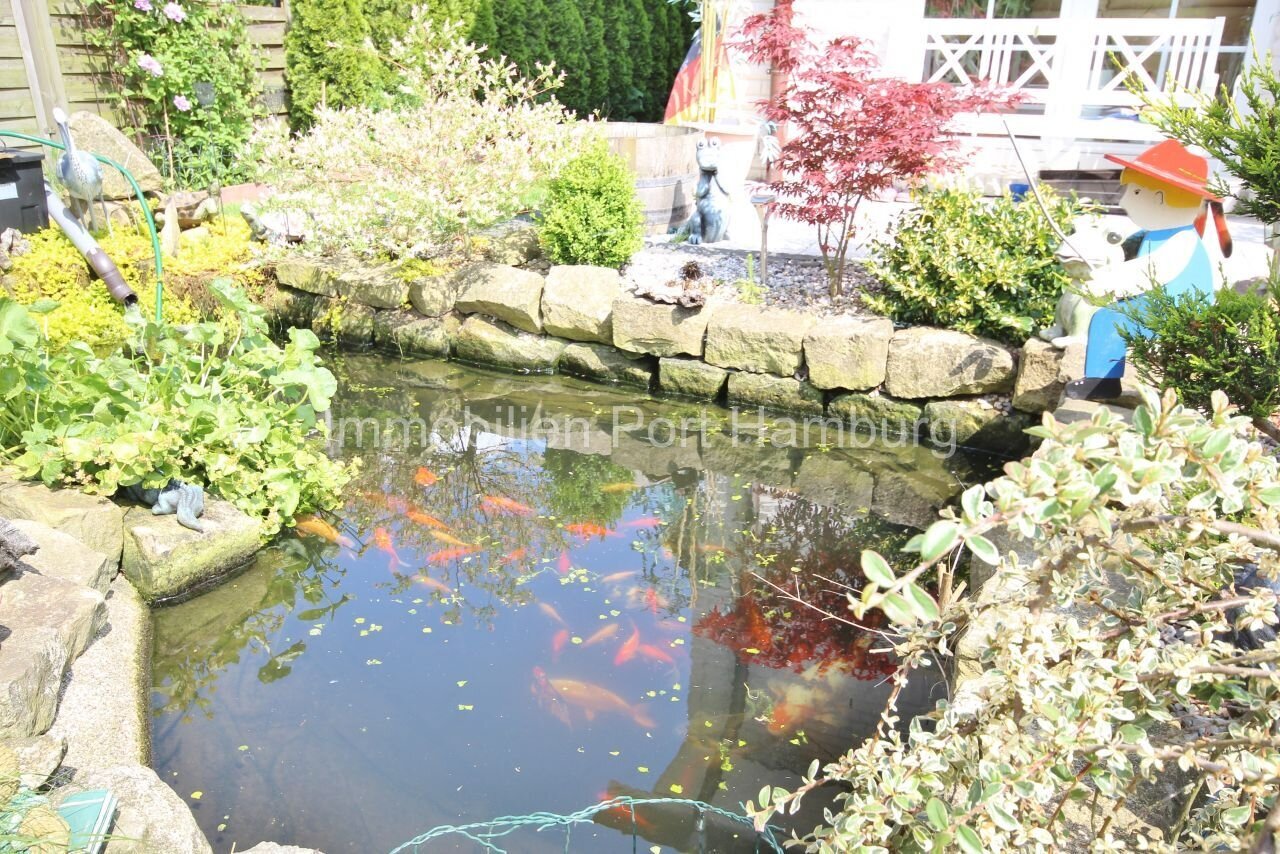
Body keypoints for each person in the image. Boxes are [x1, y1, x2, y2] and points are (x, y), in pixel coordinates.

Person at [1066, 139, 1230, 401]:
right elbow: (1128, 251)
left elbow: (1149, 272)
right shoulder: (1159, 232)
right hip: (1161, 303)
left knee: (1110, 319)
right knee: (1109, 318)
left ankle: (1104, 382)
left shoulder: (1182, 240)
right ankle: (1104, 381)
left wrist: (1108, 283)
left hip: (1179, 309)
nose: (1124, 201)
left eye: (1135, 192)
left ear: (1160, 197)